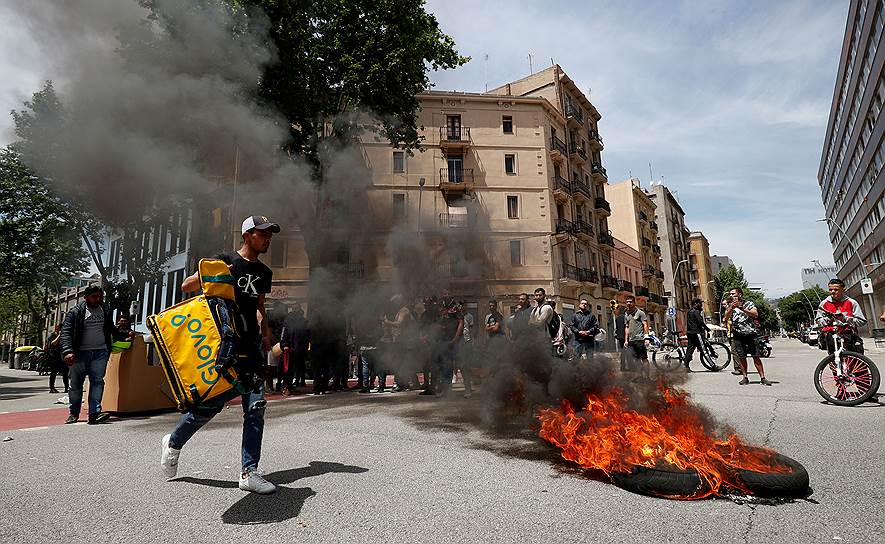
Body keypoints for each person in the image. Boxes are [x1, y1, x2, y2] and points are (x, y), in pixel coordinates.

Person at [160, 215, 279, 494]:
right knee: (209, 406)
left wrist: (266, 334)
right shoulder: (225, 260)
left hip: (251, 347)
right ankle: (174, 442)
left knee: (256, 407)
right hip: (225, 346)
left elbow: (260, 306)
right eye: (263, 234)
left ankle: (249, 472)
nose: (268, 239)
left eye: (269, 235)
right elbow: (187, 286)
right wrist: (215, 274)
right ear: (248, 235)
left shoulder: (264, 273)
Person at [60, 285, 122, 424]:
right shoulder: (76, 312)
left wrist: (123, 335)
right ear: (86, 297)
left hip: (100, 352)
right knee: (76, 385)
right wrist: (68, 351)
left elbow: (110, 328)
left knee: (97, 382)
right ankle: (74, 413)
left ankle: (94, 413)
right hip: (79, 353)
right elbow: (66, 332)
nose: (98, 299)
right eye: (94, 297)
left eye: (100, 296)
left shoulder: (104, 309)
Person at [724, 288, 771, 386]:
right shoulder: (730, 305)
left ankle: (762, 377)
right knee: (741, 357)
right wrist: (731, 308)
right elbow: (726, 317)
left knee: (756, 356)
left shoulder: (749, 303)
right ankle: (745, 377)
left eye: (733, 294)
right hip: (737, 334)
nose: (731, 296)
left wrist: (742, 309)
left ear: (740, 294)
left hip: (750, 333)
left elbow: (755, 314)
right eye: (730, 294)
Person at [815, 278, 867, 354]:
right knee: (835, 361)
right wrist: (829, 320)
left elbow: (862, 321)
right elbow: (818, 320)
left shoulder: (851, 302)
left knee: (857, 361)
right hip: (832, 337)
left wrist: (845, 319)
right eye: (830, 289)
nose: (832, 292)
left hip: (850, 336)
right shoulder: (824, 304)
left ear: (843, 289)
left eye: (836, 289)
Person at [279, 303, 310, 394]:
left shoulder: (304, 321)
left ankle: (295, 383)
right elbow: (284, 334)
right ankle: (286, 386)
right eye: (294, 308)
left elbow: (307, 335)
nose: (296, 310)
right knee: (287, 368)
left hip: (300, 348)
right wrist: (284, 344)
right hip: (290, 348)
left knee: (298, 367)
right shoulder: (288, 321)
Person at [622, 296, 650, 378]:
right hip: (631, 340)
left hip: (640, 339)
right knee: (636, 359)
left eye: (630, 302)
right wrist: (626, 340)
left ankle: (647, 376)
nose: (628, 303)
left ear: (634, 303)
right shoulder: (626, 314)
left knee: (644, 358)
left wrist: (646, 337)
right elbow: (627, 327)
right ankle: (640, 375)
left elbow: (645, 324)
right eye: (627, 302)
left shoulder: (640, 313)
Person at [683, 298, 709, 372]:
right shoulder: (695, 311)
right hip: (696, 333)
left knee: (690, 349)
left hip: (690, 333)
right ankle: (713, 365)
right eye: (700, 303)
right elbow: (700, 322)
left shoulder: (690, 311)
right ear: (696, 304)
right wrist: (707, 329)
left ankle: (686, 366)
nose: (701, 305)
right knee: (703, 349)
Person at [45, 324, 67, 394]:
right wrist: (59, 336)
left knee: (65, 372)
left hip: (61, 356)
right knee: (53, 372)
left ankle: (67, 387)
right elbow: (53, 343)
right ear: (58, 329)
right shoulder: (53, 335)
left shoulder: (64, 336)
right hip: (54, 357)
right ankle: (52, 388)